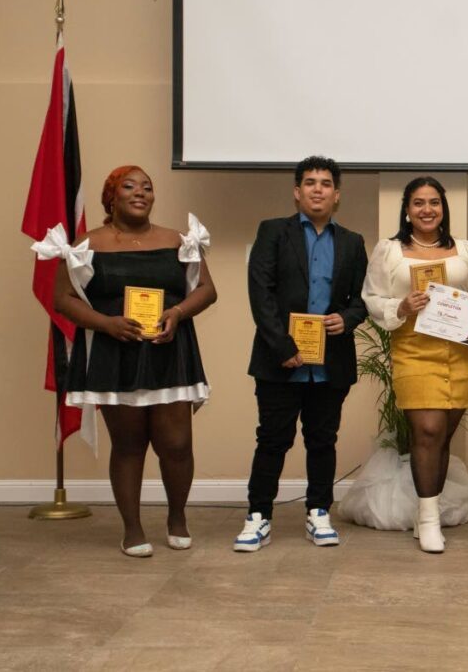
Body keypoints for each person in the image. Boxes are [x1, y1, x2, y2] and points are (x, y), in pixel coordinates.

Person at [50, 165, 216, 557]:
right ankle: (133, 528)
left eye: (147, 186)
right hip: (115, 354)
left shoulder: (178, 239)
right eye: (129, 186)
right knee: (128, 446)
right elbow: (63, 299)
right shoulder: (87, 243)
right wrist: (106, 324)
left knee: (176, 443)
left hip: (170, 349)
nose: (140, 192)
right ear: (112, 197)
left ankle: (177, 518)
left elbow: (207, 290)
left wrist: (177, 314)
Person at [235, 156, 368, 552]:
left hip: (331, 363)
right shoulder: (273, 232)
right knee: (272, 440)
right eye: (309, 182)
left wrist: (346, 319)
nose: (317, 189)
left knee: (323, 440)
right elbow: (261, 293)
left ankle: (318, 512)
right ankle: (258, 516)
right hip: (279, 362)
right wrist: (283, 346)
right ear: (297, 192)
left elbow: (361, 300)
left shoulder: (352, 242)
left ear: (336, 194)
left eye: (326, 183)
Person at [362, 177, 468, 553]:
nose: (427, 210)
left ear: (443, 208)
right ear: (407, 209)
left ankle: (426, 513)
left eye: (434, 202)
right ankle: (430, 518)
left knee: (444, 433)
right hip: (414, 347)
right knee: (428, 430)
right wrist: (400, 307)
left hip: (460, 350)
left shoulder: (464, 249)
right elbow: (372, 297)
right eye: (419, 203)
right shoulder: (389, 251)